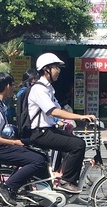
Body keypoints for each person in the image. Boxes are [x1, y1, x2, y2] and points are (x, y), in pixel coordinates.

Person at [27, 53, 96, 194]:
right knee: (78, 145)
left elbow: (60, 109)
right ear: (46, 70)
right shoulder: (39, 89)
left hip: (48, 130)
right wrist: (80, 117)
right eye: (56, 68)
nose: (58, 71)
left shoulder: (48, 89)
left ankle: (62, 178)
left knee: (74, 141)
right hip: (40, 133)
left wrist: (85, 117)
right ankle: (66, 181)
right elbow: (53, 111)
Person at [0, 72, 46, 206]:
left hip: (5, 146)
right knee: (37, 161)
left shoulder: (1, 105)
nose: (13, 88)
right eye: (12, 85)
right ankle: (5, 187)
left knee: (41, 155)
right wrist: (14, 142)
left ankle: (42, 191)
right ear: (7, 86)